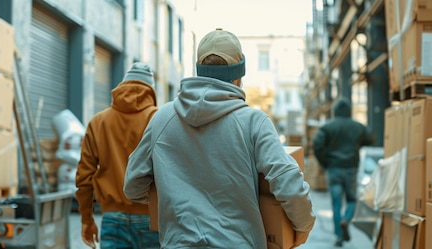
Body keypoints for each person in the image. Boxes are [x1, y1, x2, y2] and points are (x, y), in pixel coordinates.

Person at [123, 28, 316, 249]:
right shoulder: (254, 122)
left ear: (199, 71)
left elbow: (133, 186)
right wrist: (302, 227)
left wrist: (173, 199)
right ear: (239, 76)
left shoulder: (162, 119)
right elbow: (288, 183)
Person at [75, 62, 160, 249]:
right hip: (152, 219)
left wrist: (86, 219)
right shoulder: (159, 119)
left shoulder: (98, 122)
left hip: (113, 219)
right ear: (151, 91)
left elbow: (84, 176)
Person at [312, 97, 375, 247]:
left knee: (336, 203)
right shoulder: (357, 127)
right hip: (350, 169)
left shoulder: (327, 127)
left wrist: (325, 162)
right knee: (352, 200)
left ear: (335, 111)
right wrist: (358, 142)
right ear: (349, 111)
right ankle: (346, 219)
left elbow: (317, 144)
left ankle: (339, 237)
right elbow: (371, 138)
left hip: (333, 169)